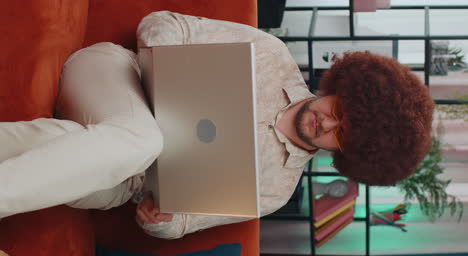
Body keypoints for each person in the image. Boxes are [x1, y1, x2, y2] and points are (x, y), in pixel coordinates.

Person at [0, 11, 434, 240]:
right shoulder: (271, 55)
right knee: (144, 138)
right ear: (343, 85)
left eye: (340, 132)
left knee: (90, 148)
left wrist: (160, 217)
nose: (326, 120)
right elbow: (160, 22)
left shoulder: (277, 189)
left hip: (119, 182)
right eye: (338, 107)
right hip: (111, 76)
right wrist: (172, 65)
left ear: (345, 152)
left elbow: (178, 225)